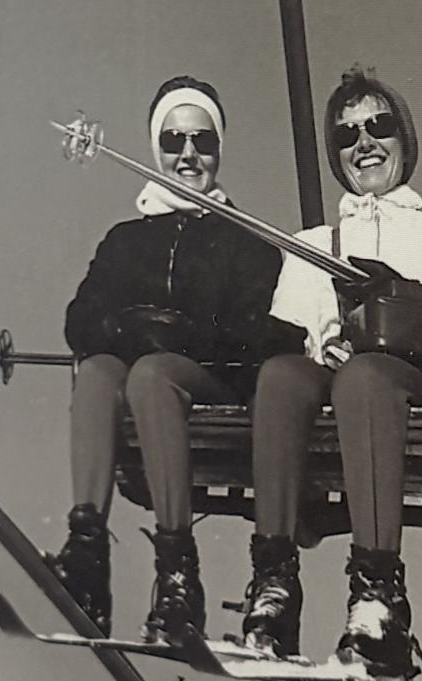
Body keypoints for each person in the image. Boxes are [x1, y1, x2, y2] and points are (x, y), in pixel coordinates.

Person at [244, 68, 422, 676]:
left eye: (378, 126)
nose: (364, 144)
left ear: (404, 138)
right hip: (343, 387)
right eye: (348, 136)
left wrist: (407, 313)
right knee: (282, 376)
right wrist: (322, 342)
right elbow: (287, 332)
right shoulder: (317, 243)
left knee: (370, 375)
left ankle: (377, 595)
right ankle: (273, 585)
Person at [46, 76, 302, 640]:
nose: (187, 154)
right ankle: (87, 550)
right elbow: (80, 321)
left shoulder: (246, 241)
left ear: (218, 150)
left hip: (207, 380)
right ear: (156, 149)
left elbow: (249, 332)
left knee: (153, 373)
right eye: (173, 140)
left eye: (202, 141)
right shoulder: (125, 240)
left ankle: (177, 571)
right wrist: (124, 325)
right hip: (137, 370)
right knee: (96, 372)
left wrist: (179, 336)